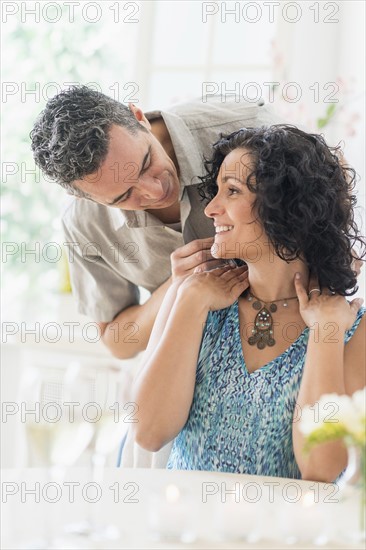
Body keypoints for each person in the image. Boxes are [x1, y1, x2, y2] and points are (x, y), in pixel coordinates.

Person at [132, 125, 365, 481]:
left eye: (232, 191)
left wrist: (327, 333)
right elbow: (148, 433)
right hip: (185, 529)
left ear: (287, 208)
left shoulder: (351, 327)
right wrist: (190, 300)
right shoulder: (194, 299)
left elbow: (322, 468)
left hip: (284, 535)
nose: (211, 209)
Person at [30, 85, 283, 359]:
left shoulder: (252, 129)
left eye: (146, 162)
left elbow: (329, 229)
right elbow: (117, 342)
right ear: (83, 197)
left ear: (139, 117)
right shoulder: (84, 224)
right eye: (124, 196)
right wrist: (176, 288)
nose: (156, 191)